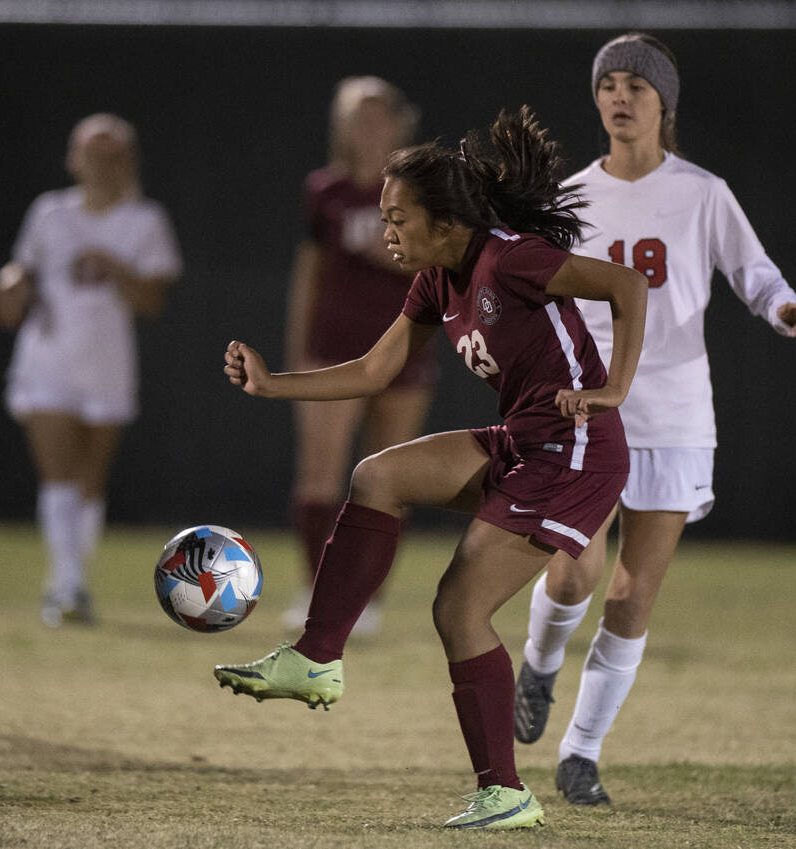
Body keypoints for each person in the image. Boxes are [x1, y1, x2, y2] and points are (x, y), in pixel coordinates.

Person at [214, 106, 649, 830]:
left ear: (445, 222)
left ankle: (505, 792)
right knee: (377, 475)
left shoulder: (509, 258)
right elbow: (374, 368)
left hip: (574, 451)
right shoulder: (437, 280)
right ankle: (317, 655)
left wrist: (615, 391)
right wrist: (270, 382)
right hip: (525, 438)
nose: (385, 229)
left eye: (397, 216)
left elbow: (628, 288)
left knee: (458, 607)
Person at [512, 32, 796, 806]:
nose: (619, 98)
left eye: (635, 87)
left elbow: (754, 271)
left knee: (630, 596)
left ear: (663, 105)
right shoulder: (572, 199)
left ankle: (581, 753)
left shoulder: (701, 192)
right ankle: (540, 665)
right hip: (590, 407)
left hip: (676, 408)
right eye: (608, 84)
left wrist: (782, 306)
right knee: (574, 571)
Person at [0, 113, 181, 627]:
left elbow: (152, 300)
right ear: (74, 158)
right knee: (57, 475)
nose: (99, 165)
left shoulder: (145, 220)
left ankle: (71, 580)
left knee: (90, 479)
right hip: (48, 358)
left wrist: (116, 269)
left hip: (106, 365)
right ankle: (67, 586)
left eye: (110, 154)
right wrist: (10, 286)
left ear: (127, 161)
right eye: (90, 153)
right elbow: (21, 272)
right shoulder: (49, 213)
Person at [281, 76, 438, 635]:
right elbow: (309, 273)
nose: (367, 126)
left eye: (377, 114)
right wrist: (298, 350)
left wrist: (396, 255)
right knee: (320, 473)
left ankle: (367, 602)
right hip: (333, 352)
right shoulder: (325, 190)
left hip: (401, 349)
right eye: (356, 115)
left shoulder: (422, 190)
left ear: (399, 122)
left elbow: (446, 267)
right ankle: (318, 591)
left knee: (390, 477)